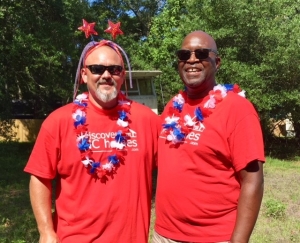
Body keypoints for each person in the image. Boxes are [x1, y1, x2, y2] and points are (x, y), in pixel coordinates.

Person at [24, 39, 160, 243]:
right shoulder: (58, 121)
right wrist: (46, 231)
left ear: (123, 75)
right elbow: (40, 177)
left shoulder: (147, 120)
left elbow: (176, 169)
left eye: (114, 69)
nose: (106, 75)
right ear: (84, 74)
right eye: (97, 69)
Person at [152, 31, 265, 243]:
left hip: (214, 237)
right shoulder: (172, 107)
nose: (192, 60)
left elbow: (253, 181)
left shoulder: (238, 109)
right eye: (184, 55)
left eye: (201, 53)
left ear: (217, 62)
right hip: (165, 235)